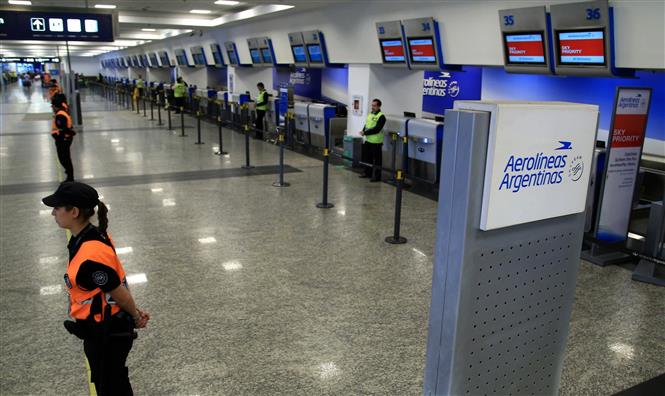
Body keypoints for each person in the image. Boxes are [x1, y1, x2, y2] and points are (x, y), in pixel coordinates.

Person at [42, 182, 150, 395]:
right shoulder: (90, 235)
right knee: (112, 381)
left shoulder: (89, 253)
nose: (53, 212)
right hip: (103, 327)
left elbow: (117, 291)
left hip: (107, 332)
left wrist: (136, 315)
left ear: (73, 212)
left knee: (111, 387)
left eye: (57, 207)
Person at [359, 98, 386, 182]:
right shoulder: (370, 114)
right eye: (372, 105)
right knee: (368, 158)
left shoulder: (381, 117)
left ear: (379, 106)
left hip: (376, 142)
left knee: (377, 161)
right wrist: (363, 130)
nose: (372, 107)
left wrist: (365, 133)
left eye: (374, 105)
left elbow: (377, 129)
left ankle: (377, 177)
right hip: (368, 141)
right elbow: (366, 124)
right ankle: (367, 173)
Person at [51, 94, 76, 182]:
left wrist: (71, 132)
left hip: (63, 140)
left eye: (52, 106)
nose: (52, 107)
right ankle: (69, 174)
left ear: (55, 106)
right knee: (64, 158)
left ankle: (70, 177)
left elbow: (64, 128)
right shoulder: (61, 112)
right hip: (63, 139)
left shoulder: (60, 115)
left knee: (64, 158)